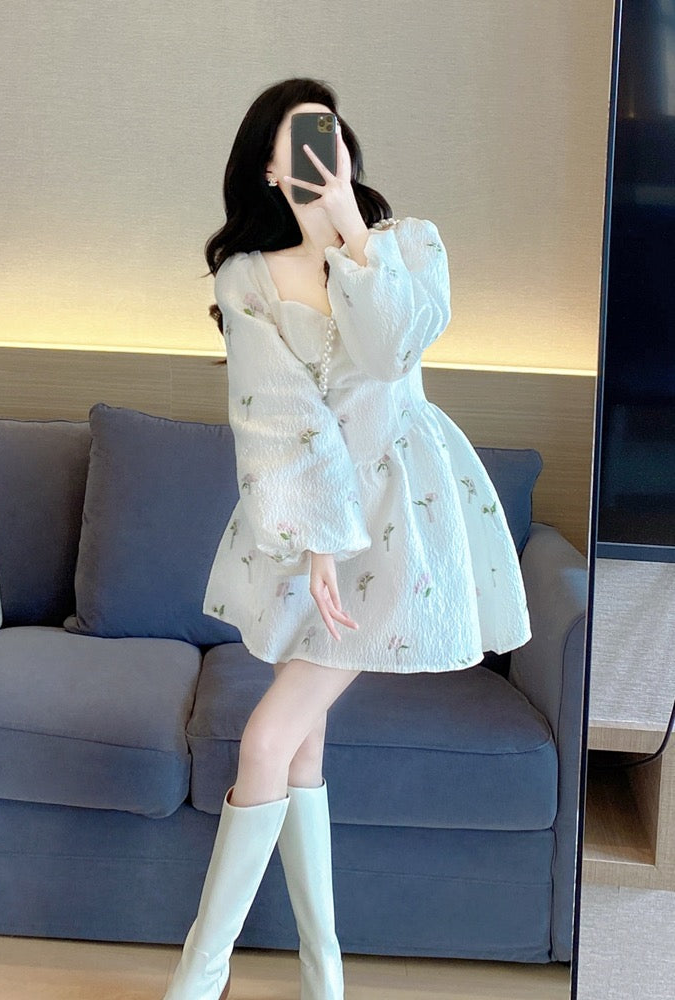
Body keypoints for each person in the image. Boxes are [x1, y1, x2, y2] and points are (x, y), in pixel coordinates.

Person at [161, 77, 532, 1000]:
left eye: (331, 136)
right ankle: (322, 973)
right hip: (311, 527)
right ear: (268, 168)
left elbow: (392, 352)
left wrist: (354, 234)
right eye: (300, 142)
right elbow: (275, 412)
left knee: (266, 737)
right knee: (299, 745)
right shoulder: (246, 277)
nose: (322, 155)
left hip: (407, 517)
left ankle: (202, 975)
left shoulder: (408, 246)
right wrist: (319, 541)